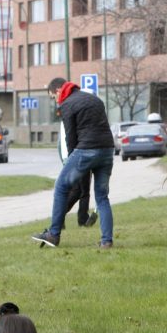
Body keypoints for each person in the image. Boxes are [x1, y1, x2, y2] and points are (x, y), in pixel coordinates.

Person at [32, 78, 115, 249]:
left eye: (52, 97)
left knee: (61, 187)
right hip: (107, 149)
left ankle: (53, 234)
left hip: (86, 149)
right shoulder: (94, 99)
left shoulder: (67, 104)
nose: (55, 100)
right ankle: (107, 241)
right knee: (101, 196)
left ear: (57, 91)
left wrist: (70, 162)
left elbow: (70, 137)